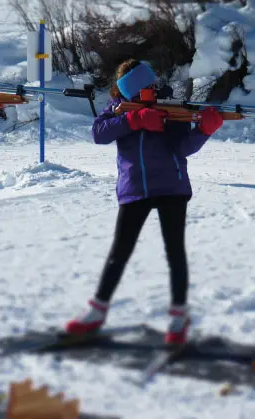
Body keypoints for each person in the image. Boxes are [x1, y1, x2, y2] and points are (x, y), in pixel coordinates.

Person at [64, 59, 224, 344]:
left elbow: (182, 147)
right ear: (127, 93)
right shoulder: (118, 110)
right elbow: (98, 134)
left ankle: (178, 315)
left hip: (171, 187)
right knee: (120, 251)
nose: (149, 92)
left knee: (175, 251)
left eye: (151, 86)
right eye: (141, 90)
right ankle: (97, 311)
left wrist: (203, 131)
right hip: (135, 188)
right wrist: (132, 120)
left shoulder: (172, 108)